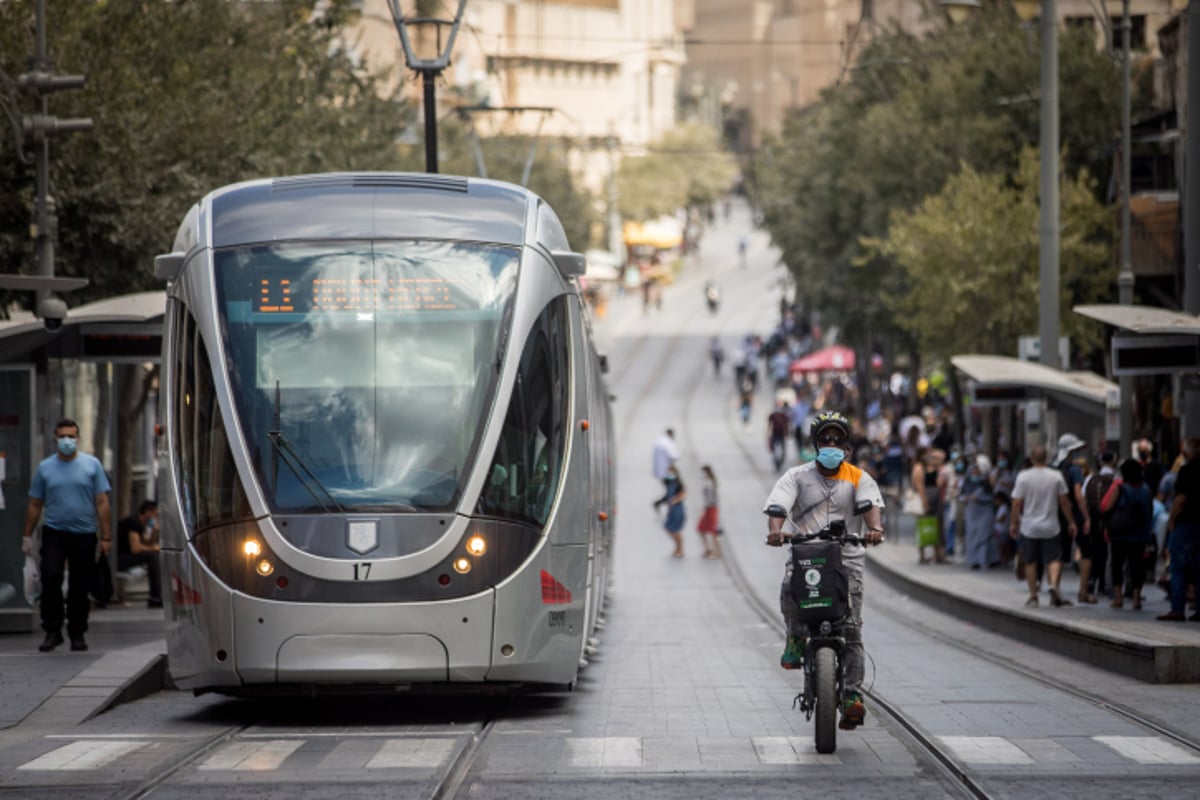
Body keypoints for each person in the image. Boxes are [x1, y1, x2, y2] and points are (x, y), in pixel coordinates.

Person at [763, 410, 885, 732]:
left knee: (852, 629)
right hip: (807, 559)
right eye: (825, 439)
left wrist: (874, 528)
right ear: (815, 444)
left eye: (838, 440)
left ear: (847, 446)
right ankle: (795, 638)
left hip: (848, 562)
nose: (831, 444)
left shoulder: (859, 477)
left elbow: (871, 505)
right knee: (790, 587)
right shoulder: (795, 477)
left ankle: (851, 698)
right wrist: (776, 530)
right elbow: (778, 506)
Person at [20, 419, 112, 652]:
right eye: (62, 436)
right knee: (50, 576)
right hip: (54, 532)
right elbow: (35, 503)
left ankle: (77, 632)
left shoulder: (92, 465)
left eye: (71, 436)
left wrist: (107, 536)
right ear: (55, 438)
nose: (67, 441)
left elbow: (102, 502)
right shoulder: (45, 468)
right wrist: (26, 536)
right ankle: (52, 630)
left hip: (84, 533)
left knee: (80, 585)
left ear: (78, 438)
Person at [1010, 443, 1078, 608]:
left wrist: (1014, 523)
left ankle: (1033, 596)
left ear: (1032, 458)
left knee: (1031, 561)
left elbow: (1017, 503)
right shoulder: (1056, 476)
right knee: (1054, 558)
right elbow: (1064, 502)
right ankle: (1053, 585)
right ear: (1046, 458)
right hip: (1051, 526)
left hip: (1029, 527)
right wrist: (1071, 522)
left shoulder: (1023, 476)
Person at [1100, 458, 1153, 610]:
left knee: (1118, 564)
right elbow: (1149, 510)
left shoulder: (1121, 488)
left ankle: (1118, 597)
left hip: (1120, 533)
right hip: (1140, 534)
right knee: (1137, 566)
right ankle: (1136, 598)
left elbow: (1108, 508)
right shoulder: (1145, 489)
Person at [1158, 438, 1200, 621]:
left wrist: (1172, 520)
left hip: (1186, 525)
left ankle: (1177, 608)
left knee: (1178, 567)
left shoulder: (1187, 471)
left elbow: (1180, 499)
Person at [1054, 433, 1093, 602]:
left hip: (1058, 515)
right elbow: (1078, 495)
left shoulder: (1053, 468)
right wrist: (1086, 517)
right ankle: (1083, 591)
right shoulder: (1074, 470)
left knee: (1060, 554)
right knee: (1086, 551)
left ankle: (1054, 588)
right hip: (1075, 515)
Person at [116, 499, 163, 608]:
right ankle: (155, 596)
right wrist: (154, 549)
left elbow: (147, 543)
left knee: (153, 555)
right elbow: (136, 549)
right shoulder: (134, 522)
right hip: (118, 559)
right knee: (152, 557)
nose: (155, 519)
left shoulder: (140, 524)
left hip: (124, 557)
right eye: (154, 515)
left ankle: (156, 594)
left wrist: (155, 531)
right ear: (147, 512)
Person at [911, 447, 947, 564]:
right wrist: (925, 502)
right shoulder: (919, 467)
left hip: (936, 499)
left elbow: (942, 454)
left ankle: (938, 555)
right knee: (923, 525)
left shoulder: (932, 466)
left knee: (937, 526)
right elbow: (919, 486)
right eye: (927, 454)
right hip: (926, 498)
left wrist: (933, 455)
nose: (930, 457)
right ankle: (922, 555)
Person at [962, 454, 997, 570]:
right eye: (973, 469)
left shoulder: (986, 483)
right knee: (972, 537)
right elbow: (961, 496)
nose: (975, 472)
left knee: (985, 537)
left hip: (985, 513)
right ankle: (974, 561)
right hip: (972, 514)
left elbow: (992, 497)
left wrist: (979, 498)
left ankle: (987, 560)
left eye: (977, 469)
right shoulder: (967, 483)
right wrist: (967, 498)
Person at [657, 465, 687, 558]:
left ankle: (680, 549)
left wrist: (676, 500)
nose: (668, 474)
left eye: (670, 472)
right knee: (669, 528)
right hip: (671, 510)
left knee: (675, 530)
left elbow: (684, 494)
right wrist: (659, 502)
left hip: (678, 509)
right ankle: (677, 547)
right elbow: (666, 495)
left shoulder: (678, 483)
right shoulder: (669, 483)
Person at [696, 465, 722, 559]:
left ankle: (717, 551)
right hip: (709, 508)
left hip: (710, 509)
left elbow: (710, 499)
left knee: (713, 531)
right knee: (701, 529)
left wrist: (705, 509)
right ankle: (708, 548)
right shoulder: (708, 482)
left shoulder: (709, 483)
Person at [651, 428, 681, 509]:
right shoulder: (667, 443)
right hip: (668, 473)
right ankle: (661, 504)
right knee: (673, 490)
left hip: (660, 473)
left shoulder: (658, 442)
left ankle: (661, 503)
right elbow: (675, 456)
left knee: (670, 491)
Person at [767, 400, 791, 472]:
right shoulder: (773, 415)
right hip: (775, 434)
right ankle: (777, 463)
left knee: (782, 450)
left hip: (781, 434)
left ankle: (780, 461)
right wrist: (768, 434)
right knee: (775, 450)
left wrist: (786, 433)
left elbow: (786, 424)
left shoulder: (783, 415)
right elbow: (769, 425)